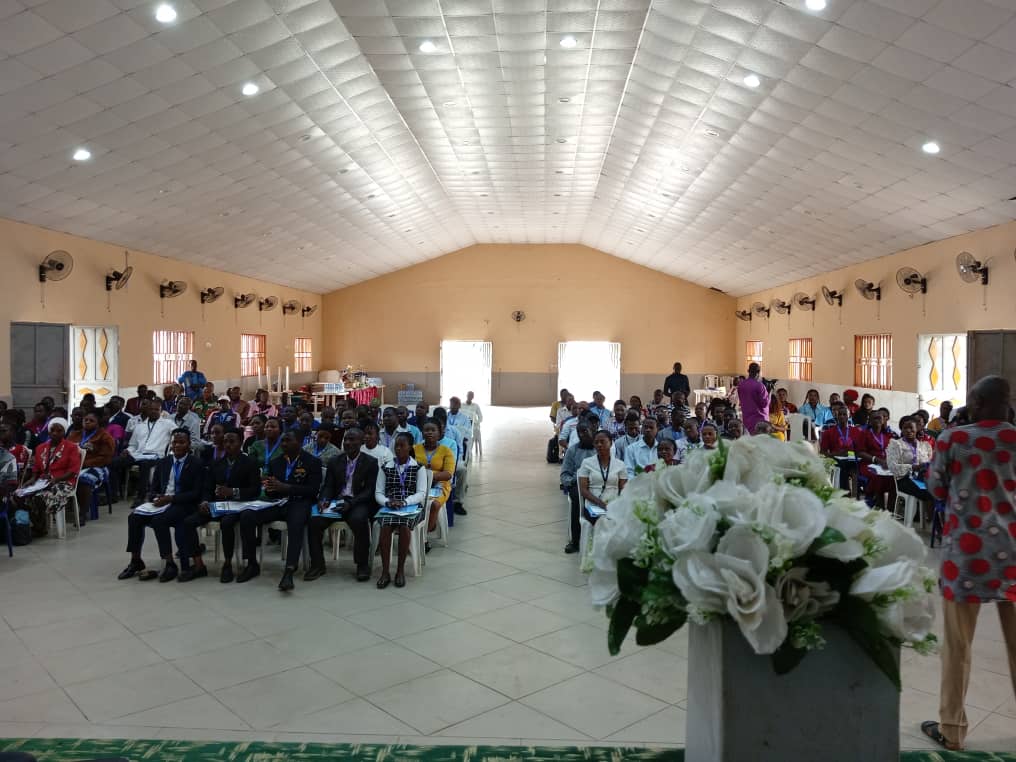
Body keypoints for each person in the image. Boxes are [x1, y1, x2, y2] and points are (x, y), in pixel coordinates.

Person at [920, 375, 1016, 751]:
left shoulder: (953, 439)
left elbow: (936, 488)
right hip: (1013, 555)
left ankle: (952, 730)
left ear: (977, 404)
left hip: (966, 556)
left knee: (958, 647)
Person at [237, 430, 322, 591]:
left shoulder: (312, 462)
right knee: (247, 515)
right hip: (277, 503)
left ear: (299, 442)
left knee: (296, 523)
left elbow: (312, 490)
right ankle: (252, 564)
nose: (283, 444)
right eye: (282, 441)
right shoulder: (276, 462)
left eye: (288, 441)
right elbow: (272, 491)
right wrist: (270, 488)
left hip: (300, 502)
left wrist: (287, 487)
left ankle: (289, 570)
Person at [117, 429, 203, 583]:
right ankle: (136, 560)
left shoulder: (196, 463)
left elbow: (196, 493)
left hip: (184, 504)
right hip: (163, 502)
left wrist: (172, 498)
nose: (177, 445)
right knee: (134, 518)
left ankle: (169, 563)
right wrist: (155, 497)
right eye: (175, 442)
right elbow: (153, 489)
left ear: (189, 444)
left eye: (181, 442)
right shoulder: (164, 462)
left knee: (159, 521)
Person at [182, 427, 261, 582]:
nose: (228, 445)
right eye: (225, 441)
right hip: (218, 505)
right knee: (188, 522)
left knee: (227, 522)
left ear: (240, 442)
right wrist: (205, 501)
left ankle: (228, 563)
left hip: (239, 506)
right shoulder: (216, 463)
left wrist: (233, 492)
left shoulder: (250, 462)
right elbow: (207, 487)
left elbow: (255, 490)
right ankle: (198, 564)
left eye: (232, 441)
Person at [306, 427, 380, 582]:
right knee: (314, 521)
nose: (347, 442)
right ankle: (318, 565)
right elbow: (328, 486)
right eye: (346, 439)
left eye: (352, 439)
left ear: (361, 442)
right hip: (336, 502)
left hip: (357, 501)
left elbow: (369, 490)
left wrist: (351, 503)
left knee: (359, 520)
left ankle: (362, 565)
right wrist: (324, 500)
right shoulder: (335, 461)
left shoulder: (370, 462)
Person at [374, 432, 428, 589]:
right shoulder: (385, 467)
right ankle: (385, 572)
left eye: (402, 446)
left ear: (410, 447)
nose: (398, 449)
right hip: (390, 506)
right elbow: (378, 493)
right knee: (385, 527)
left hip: (411, 507)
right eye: (396, 445)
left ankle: (400, 570)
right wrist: (387, 502)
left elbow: (421, 493)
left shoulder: (418, 468)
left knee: (404, 527)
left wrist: (405, 502)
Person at [15, 418, 79, 537]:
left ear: (64, 432)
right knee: (20, 495)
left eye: (59, 431)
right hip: (43, 481)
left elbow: (73, 470)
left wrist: (56, 479)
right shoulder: (40, 447)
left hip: (64, 482)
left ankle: (40, 527)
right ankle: (38, 525)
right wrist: (32, 479)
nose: (54, 433)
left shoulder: (71, 447)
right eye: (52, 430)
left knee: (40, 497)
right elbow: (36, 469)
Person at [111, 399, 178, 507]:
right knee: (114, 462)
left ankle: (140, 497)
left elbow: (177, 434)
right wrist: (127, 450)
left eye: (157, 409)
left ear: (161, 411)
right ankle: (114, 494)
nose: (154, 411)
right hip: (137, 454)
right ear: (147, 410)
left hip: (156, 455)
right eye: (151, 409)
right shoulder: (139, 426)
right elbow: (133, 445)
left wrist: (172, 446)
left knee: (145, 465)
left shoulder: (168, 424)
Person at [66, 411, 115, 526]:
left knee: (83, 479)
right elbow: (66, 451)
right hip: (75, 465)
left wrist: (84, 464)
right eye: (85, 420)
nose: (87, 422)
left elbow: (105, 458)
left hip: (97, 466)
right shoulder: (74, 434)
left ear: (98, 423)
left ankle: (82, 513)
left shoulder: (105, 436)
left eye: (91, 420)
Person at [413, 420, 455, 533]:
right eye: (426, 430)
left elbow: (448, 474)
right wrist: (422, 477)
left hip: (440, 484)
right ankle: (414, 529)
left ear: (439, 433)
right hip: (418, 483)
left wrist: (428, 475)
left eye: (433, 430)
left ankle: (426, 534)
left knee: (434, 504)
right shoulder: (414, 449)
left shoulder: (446, 451)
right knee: (414, 502)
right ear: (422, 433)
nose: (430, 433)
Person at [578, 430, 627, 522]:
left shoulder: (620, 465)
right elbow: (583, 490)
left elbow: (623, 490)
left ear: (611, 443)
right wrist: (601, 504)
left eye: (602, 441)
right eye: (596, 442)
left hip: (613, 505)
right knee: (602, 520)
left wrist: (616, 504)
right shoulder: (587, 463)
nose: (599, 445)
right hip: (593, 506)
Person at [562, 423, 595, 554]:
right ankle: (575, 541)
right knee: (577, 498)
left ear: (592, 430)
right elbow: (564, 474)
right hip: (578, 483)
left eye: (585, 431)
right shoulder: (572, 450)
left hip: (597, 482)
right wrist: (572, 482)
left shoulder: (599, 447)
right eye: (579, 432)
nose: (582, 435)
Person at [886, 417, 934, 503]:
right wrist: (913, 467)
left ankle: (930, 511)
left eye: (911, 428)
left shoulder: (925, 446)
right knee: (929, 493)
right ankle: (926, 512)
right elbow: (892, 466)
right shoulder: (896, 444)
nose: (908, 430)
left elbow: (930, 463)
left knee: (938, 490)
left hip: (921, 478)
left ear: (917, 428)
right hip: (904, 479)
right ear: (901, 429)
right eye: (905, 428)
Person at [820, 405, 862, 492]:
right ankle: (844, 492)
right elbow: (823, 452)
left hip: (852, 461)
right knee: (841, 467)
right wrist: (836, 454)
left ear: (849, 416)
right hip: (836, 461)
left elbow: (860, 451)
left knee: (854, 467)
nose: (842, 416)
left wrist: (849, 453)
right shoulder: (828, 432)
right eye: (840, 414)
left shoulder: (856, 431)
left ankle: (854, 494)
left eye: (844, 414)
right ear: (836, 416)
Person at [856, 411, 893, 509]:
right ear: (870, 421)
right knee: (877, 476)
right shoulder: (864, 434)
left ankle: (891, 508)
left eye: (879, 418)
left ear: (883, 420)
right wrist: (877, 460)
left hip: (885, 465)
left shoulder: (887, 436)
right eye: (874, 418)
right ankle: (878, 504)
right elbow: (860, 452)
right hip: (868, 464)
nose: (877, 420)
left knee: (895, 478)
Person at [737, 363, 769, 434]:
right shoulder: (760, 386)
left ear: (748, 371)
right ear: (758, 372)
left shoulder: (741, 385)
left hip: (747, 419)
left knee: (749, 439)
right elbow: (765, 404)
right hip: (760, 421)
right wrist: (769, 393)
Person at [461, 391, 483, 458]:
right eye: (468, 395)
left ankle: (469, 451)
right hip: (463, 425)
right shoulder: (461, 405)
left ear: (473, 397)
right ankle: (463, 451)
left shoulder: (476, 406)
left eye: (471, 396)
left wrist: (476, 423)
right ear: (466, 396)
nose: (469, 397)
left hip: (473, 425)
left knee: (472, 432)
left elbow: (480, 417)